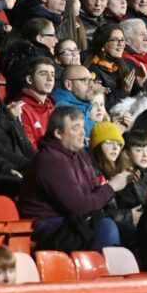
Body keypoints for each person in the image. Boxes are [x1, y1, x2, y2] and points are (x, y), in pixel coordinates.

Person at [19, 106, 129, 252]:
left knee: (132, 232)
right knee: (106, 228)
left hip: (75, 219)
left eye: (83, 127)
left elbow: (92, 192)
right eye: (76, 128)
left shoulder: (81, 154)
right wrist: (112, 187)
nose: (83, 133)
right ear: (58, 133)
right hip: (48, 226)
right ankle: (97, 273)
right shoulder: (51, 161)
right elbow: (80, 207)